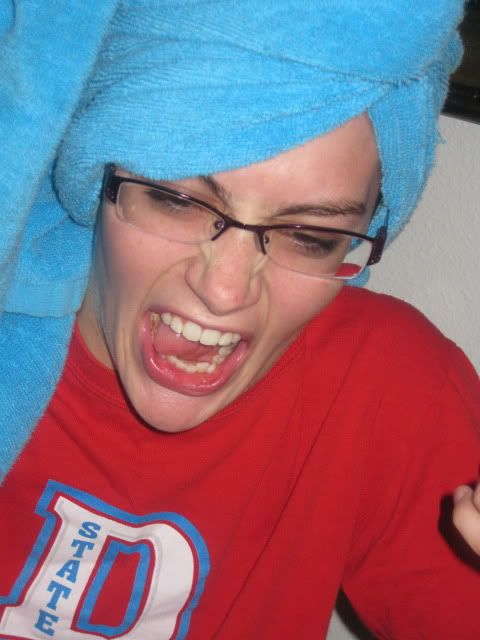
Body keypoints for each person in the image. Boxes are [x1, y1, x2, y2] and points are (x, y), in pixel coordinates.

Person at [0, 2, 479, 639]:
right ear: (99, 173)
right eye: (177, 201)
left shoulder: (387, 388)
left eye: (309, 237)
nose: (225, 291)